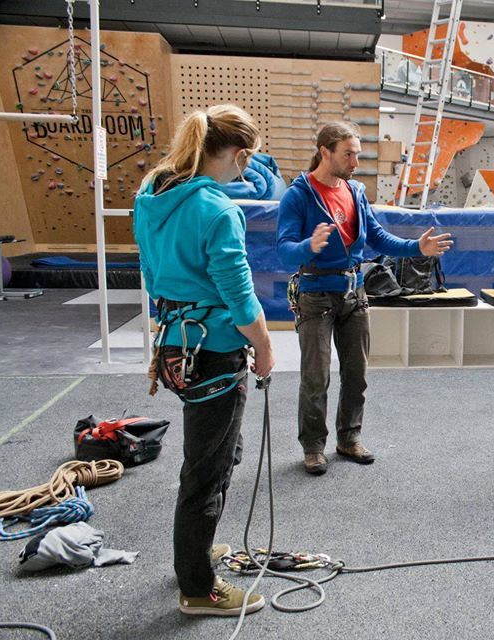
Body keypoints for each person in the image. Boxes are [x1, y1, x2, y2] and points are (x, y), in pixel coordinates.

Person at [133, 104, 274, 616]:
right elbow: (240, 298)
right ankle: (197, 587)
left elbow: (152, 270)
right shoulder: (216, 210)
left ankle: (195, 547)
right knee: (206, 470)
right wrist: (263, 345)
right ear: (239, 155)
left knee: (218, 454)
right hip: (212, 352)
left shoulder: (152, 194)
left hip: (175, 345)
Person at [277, 121, 452, 476]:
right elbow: (282, 250)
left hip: (354, 295)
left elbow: (378, 237)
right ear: (325, 152)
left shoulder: (355, 191)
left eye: (357, 153)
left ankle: (349, 437)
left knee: (357, 373)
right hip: (315, 295)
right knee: (316, 377)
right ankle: (313, 446)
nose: (355, 162)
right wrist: (306, 247)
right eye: (348, 154)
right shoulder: (298, 195)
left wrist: (415, 248)